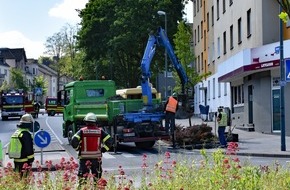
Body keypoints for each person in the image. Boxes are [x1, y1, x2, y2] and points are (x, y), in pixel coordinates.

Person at [71, 112, 113, 186]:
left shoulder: (82, 131)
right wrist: (103, 149)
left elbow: (74, 141)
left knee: (82, 181)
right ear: (95, 122)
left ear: (86, 121)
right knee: (97, 181)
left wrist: (77, 148)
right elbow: (109, 141)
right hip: (96, 159)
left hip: (84, 159)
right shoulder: (100, 131)